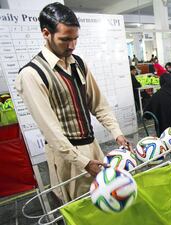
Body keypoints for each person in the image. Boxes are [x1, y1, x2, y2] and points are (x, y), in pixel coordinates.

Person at [16, 3, 130, 202]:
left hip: (92, 146)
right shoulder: (32, 74)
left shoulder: (78, 63)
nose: (71, 46)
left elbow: (98, 103)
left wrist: (117, 132)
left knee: (106, 199)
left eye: (75, 38)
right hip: (66, 157)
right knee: (81, 207)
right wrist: (83, 162)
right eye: (65, 39)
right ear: (46, 33)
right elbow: (51, 132)